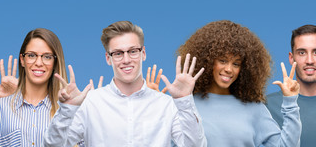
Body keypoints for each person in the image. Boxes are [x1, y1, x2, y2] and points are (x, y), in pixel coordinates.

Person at [43, 20, 206, 147]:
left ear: (143, 53)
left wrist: (184, 100)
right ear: (108, 58)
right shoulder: (90, 103)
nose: (126, 60)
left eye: (133, 51)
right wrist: (67, 111)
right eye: (118, 53)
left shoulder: (166, 105)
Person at [176, 20, 301, 146]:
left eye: (236, 64)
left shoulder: (255, 109)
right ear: (208, 61)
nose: (229, 69)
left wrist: (290, 103)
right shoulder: (186, 105)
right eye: (223, 60)